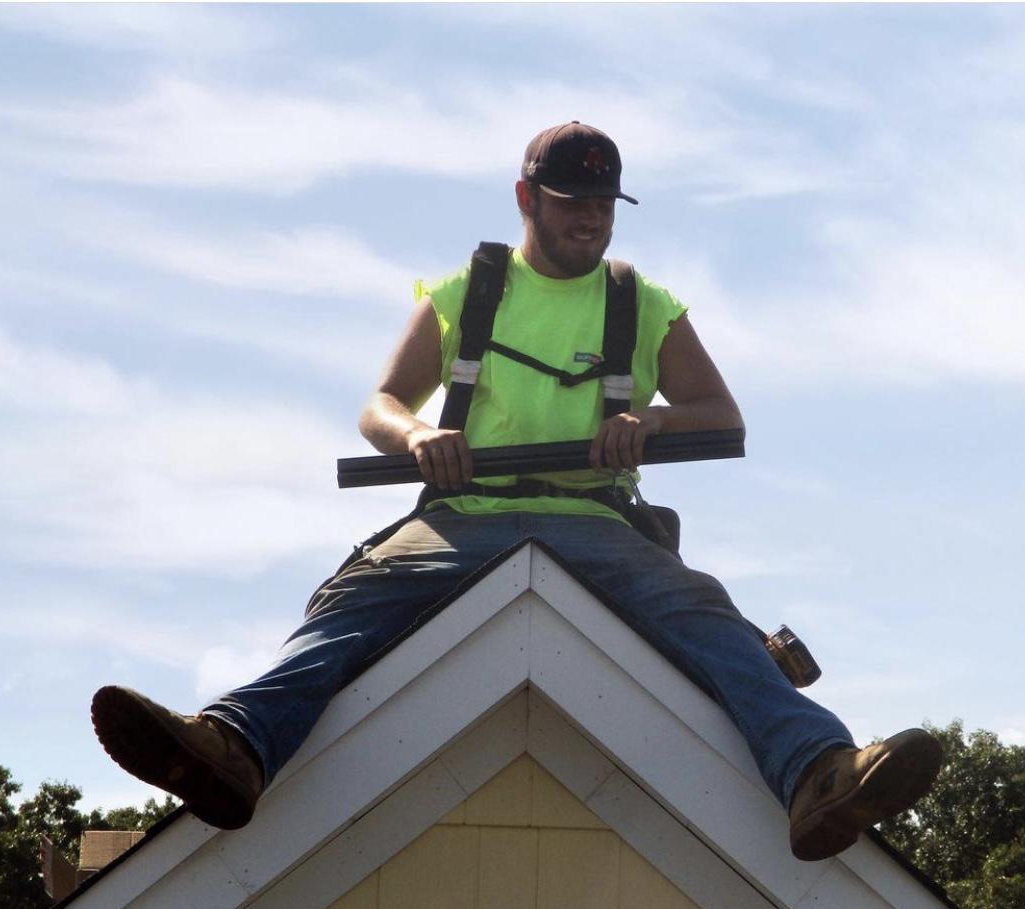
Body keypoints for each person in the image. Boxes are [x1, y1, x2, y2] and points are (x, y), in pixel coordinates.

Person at [91, 121, 942, 862]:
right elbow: (377, 406)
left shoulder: (641, 303)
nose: (590, 219)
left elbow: (722, 415)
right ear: (525, 197)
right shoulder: (471, 293)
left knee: (705, 618)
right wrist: (422, 437)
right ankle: (232, 748)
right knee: (349, 606)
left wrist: (645, 423)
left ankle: (820, 774)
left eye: (604, 205)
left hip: (595, 521)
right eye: (572, 200)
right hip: (464, 519)